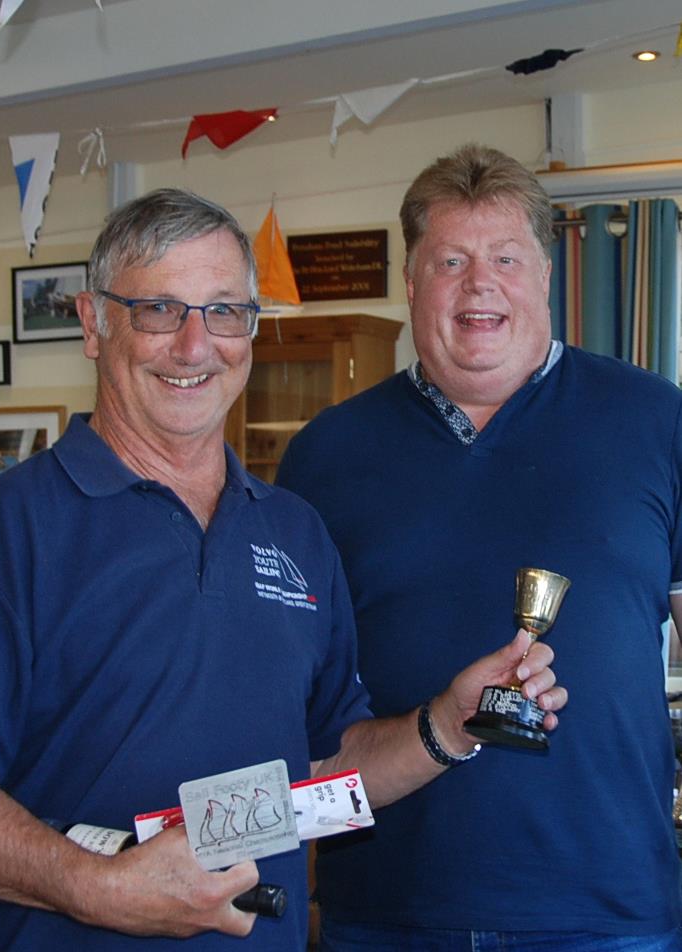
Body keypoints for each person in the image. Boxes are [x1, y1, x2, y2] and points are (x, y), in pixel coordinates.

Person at [0, 188, 566, 952]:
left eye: (224, 311)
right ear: (95, 324)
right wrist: (96, 888)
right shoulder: (1, 537)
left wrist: (448, 726)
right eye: (159, 309)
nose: (196, 347)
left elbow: (327, 765)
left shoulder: (294, 530)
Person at [276, 143, 682, 951]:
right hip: (386, 913)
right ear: (411, 281)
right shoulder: (323, 456)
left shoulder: (658, 421)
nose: (478, 283)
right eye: (449, 260)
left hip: (610, 911)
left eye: (504, 257)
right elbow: (298, 709)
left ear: (545, 275)